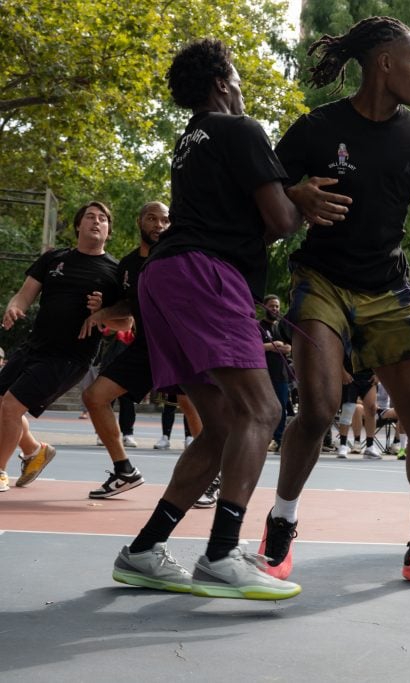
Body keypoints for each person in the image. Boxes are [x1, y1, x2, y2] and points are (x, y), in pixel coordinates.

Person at [264, 16, 410, 590]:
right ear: (385, 63)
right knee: (315, 410)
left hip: (389, 289)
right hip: (322, 280)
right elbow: (261, 194)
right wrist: (294, 191)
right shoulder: (316, 128)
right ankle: (281, 524)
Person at [110, 38, 324, 600]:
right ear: (222, 81)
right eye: (237, 74)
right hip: (207, 273)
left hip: (166, 276)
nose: (243, 84)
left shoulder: (190, 140)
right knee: (264, 408)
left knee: (225, 423)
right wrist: (299, 198)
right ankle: (222, 553)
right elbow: (277, 221)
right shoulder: (241, 128)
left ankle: (143, 551)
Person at [0, 201, 121, 493]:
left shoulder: (115, 272)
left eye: (102, 219)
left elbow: (126, 324)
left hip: (69, 357)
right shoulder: (54, 259)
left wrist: (104, 311)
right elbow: (23, 295)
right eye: (90, 217)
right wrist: (14, 308)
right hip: (34, 347)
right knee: (2, 407)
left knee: (10, 406)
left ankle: (0, 472)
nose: (96, 221)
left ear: (108, 230)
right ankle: (35, 452)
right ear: (78, 225)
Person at [79, 201, 169, 498]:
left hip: (181, 344)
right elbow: (127, 312)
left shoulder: (176, 255)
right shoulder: (128, 265)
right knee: (94, 397)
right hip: (145, 346)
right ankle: (124, 470)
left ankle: (211, 480)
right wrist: (101, 313)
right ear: (139, 221)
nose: (158, 225)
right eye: (152, 218)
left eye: (164, 220)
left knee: (196, 411)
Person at [260, 294, 292, 452]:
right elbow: (252, 347)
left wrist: (286, 347)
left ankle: (278, 439)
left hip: (281, 374)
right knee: (263, 408)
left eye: (277, 306)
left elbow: (290, 347)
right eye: (272, 306)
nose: (275, 309)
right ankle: (263, 438)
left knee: (281, 408)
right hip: (263, 374)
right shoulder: (258, 326)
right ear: (264, 307)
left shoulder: (282, 327)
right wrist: (270, 346)